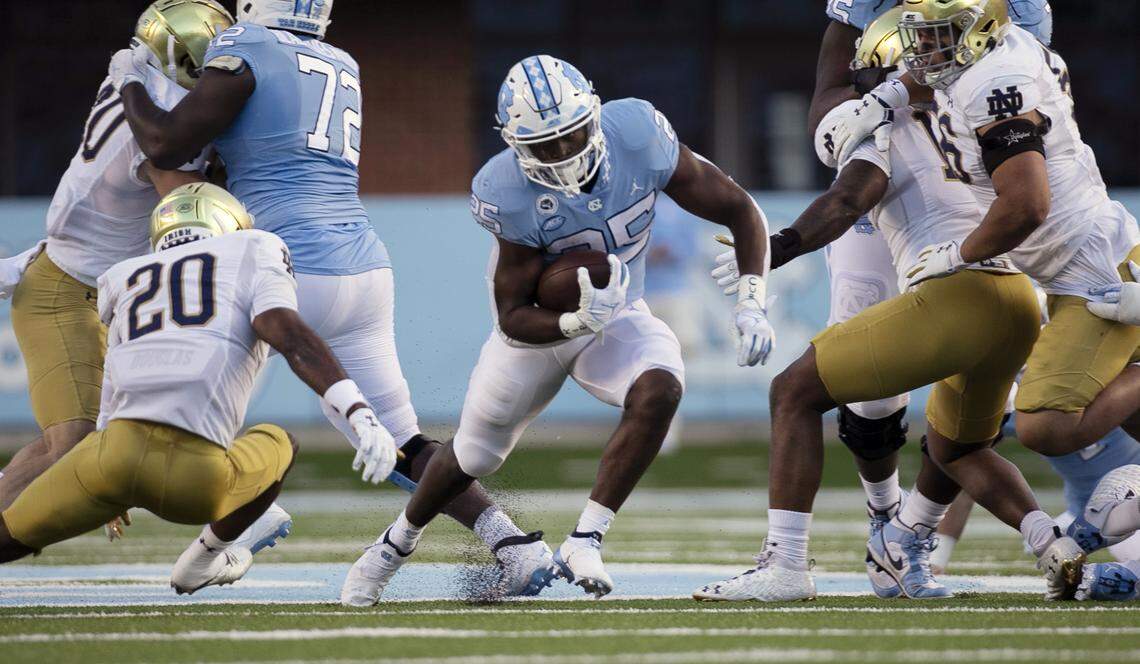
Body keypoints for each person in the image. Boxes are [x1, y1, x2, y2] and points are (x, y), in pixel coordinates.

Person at [110, 0, 554, 596]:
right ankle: (512, 545)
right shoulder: (342, 61)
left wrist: (130, 82)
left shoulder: (249, 44)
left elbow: (165, 143)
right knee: (405, 444)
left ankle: (238, 514)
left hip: (284, 269)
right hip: (364, 266)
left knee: (187, 413)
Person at [337, 54, 774, 606]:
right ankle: (392, 546)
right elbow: (513, 313)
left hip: (620, 315)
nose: (564, 155)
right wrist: (572, 320)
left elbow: (738, 208)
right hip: (535, 334)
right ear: (515, 147)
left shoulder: (638, 133)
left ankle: (586, 539)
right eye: (545, 148)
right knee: (473, 455)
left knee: (661, 386)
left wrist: (753, 300)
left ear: (594, 115)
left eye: (570, 137)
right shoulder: (504, 190)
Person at [695, 8, 1082, 602]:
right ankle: (1046, 542)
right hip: (1018, 301)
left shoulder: (887, 127)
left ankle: (786, 565)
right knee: (959, 448)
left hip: (958, 295)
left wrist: (775, 247)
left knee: (794, 392)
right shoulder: (982, 104)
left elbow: (848, 200)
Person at [828, 0, 1140, 565]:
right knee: (963, 440)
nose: (924, 52)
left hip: (1094, 273)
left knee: (1044, 425)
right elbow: (925, 79)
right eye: (920, 38)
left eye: (938, 38)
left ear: (982, 30)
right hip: (1070, 268)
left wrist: (957, 254)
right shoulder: (981, 61)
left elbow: (1026, 205)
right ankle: (1013, 541)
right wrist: (883, 97)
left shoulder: (996, 83)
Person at [0, 183, 397, 596]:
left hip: (110, 457)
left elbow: (111, 389)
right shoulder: (254, 247)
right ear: (229, 221)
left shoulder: (124, 275)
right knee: (281, 443)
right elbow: (288, 334)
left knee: (9, 534)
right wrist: (357, 410)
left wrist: (100, 487)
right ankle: (207, 556)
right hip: (193, 477)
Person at [786, 0, 1055, 598]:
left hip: (971, 177)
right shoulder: (870, 40)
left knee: (971, 404)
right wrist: (868, 113)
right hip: (890, 179)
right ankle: (888, 519)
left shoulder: (1006, 37)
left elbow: (1028, 76)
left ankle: (913, 530)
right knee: (872, 399)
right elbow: (832, 105)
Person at [0, 1, 233, 540]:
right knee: (76, 441)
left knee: (95, 440)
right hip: (68, 292)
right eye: (213, 59)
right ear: (184, 58)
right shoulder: (167, 117)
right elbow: (185, 222)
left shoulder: (139, 80)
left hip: (103, 288)